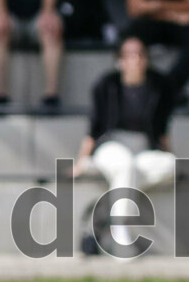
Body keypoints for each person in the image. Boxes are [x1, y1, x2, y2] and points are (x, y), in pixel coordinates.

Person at [74, 36, 177, 250]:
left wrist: (170, 154)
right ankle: (121, 229)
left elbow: (162, 131)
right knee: (125, 165)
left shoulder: (159, 87)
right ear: (120, 60)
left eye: (140, 54)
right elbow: (94, 129)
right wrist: (82, 160)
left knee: (172, 165)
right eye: (130, 55)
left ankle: (107, 214)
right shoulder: (106, 85)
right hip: (112, 145)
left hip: (143, 149)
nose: (136, 60)